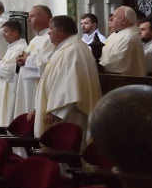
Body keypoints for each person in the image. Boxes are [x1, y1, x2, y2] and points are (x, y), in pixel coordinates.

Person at [32, 15, 102, 144]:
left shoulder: (74, 50)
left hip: (67, 112)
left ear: (61, 31)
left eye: (51, 29)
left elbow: (71, 83)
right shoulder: (67, 48)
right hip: (59, 109)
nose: (49, 32)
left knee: (65, 146)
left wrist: (56, 111)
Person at [13, 5, 55, 118]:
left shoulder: (51, 38)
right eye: (28, 17)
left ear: (46, 18)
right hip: (27, 87)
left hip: (39, 88)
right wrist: (20, 60)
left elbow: (48, 63)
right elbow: (26, 58)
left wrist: (27, 60)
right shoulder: (35, 40)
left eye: (32, 16)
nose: (28, 20)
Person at [0, 19, 27, 126]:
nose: (3, 35)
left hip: (11, 89)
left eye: (6, 31)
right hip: (4, 87)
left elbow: (10, 70)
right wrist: (0, 64)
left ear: (16, 32)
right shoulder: (12, 47)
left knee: (7, 116)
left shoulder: (21, 48)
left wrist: (0, 64)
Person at [99, 5, 146, 76]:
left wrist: (96, 64)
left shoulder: (128, 37)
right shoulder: (119, 34)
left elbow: (117, 65)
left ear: (124, 21)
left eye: (114, 17)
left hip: (124, 82)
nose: (111, 19)